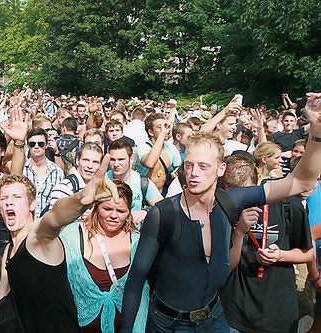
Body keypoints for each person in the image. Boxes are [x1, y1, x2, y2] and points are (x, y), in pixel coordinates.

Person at [121, 92, 321, 333]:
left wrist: (317, 131)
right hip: (170, 322)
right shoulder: (163, 214)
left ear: (220, 168)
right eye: (189, 165)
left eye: (203, 166)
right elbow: (135, 280)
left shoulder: (231, 201)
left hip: (214, 316)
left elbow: (301, 182)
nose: (194, 173)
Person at [0, 152, 119, 333]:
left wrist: (81, 198)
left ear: (32, 204)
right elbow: (1, 296)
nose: (9, 203)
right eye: (4, 199)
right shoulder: (9, 250)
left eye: (16, 198)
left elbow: (55, 217)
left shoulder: (37, 235)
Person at [219, 154, 313, 333]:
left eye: (246, 194)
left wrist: (280, 255)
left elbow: (308, 253)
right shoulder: (224, 208)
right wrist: (239, 232)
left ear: (257, 186)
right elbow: (225, 265)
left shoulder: (287, 205)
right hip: (235, 314)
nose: (239, 200)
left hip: (278, 313)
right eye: (233, 194)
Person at [60, 180, 150, 333]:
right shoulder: (72, 237)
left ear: (129, 211)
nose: (114, 216)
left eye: (121, 211)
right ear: (96, 207)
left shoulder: (137, 243)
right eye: (107, 209)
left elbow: (143, 294)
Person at [107, 137, 162, 222]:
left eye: (121, 159)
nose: (116, 164)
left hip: (134, 233)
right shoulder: (101, 181)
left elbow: (164, 208)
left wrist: (146, 212)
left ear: (131, 158)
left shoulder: (142, 182)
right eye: (112, 159)